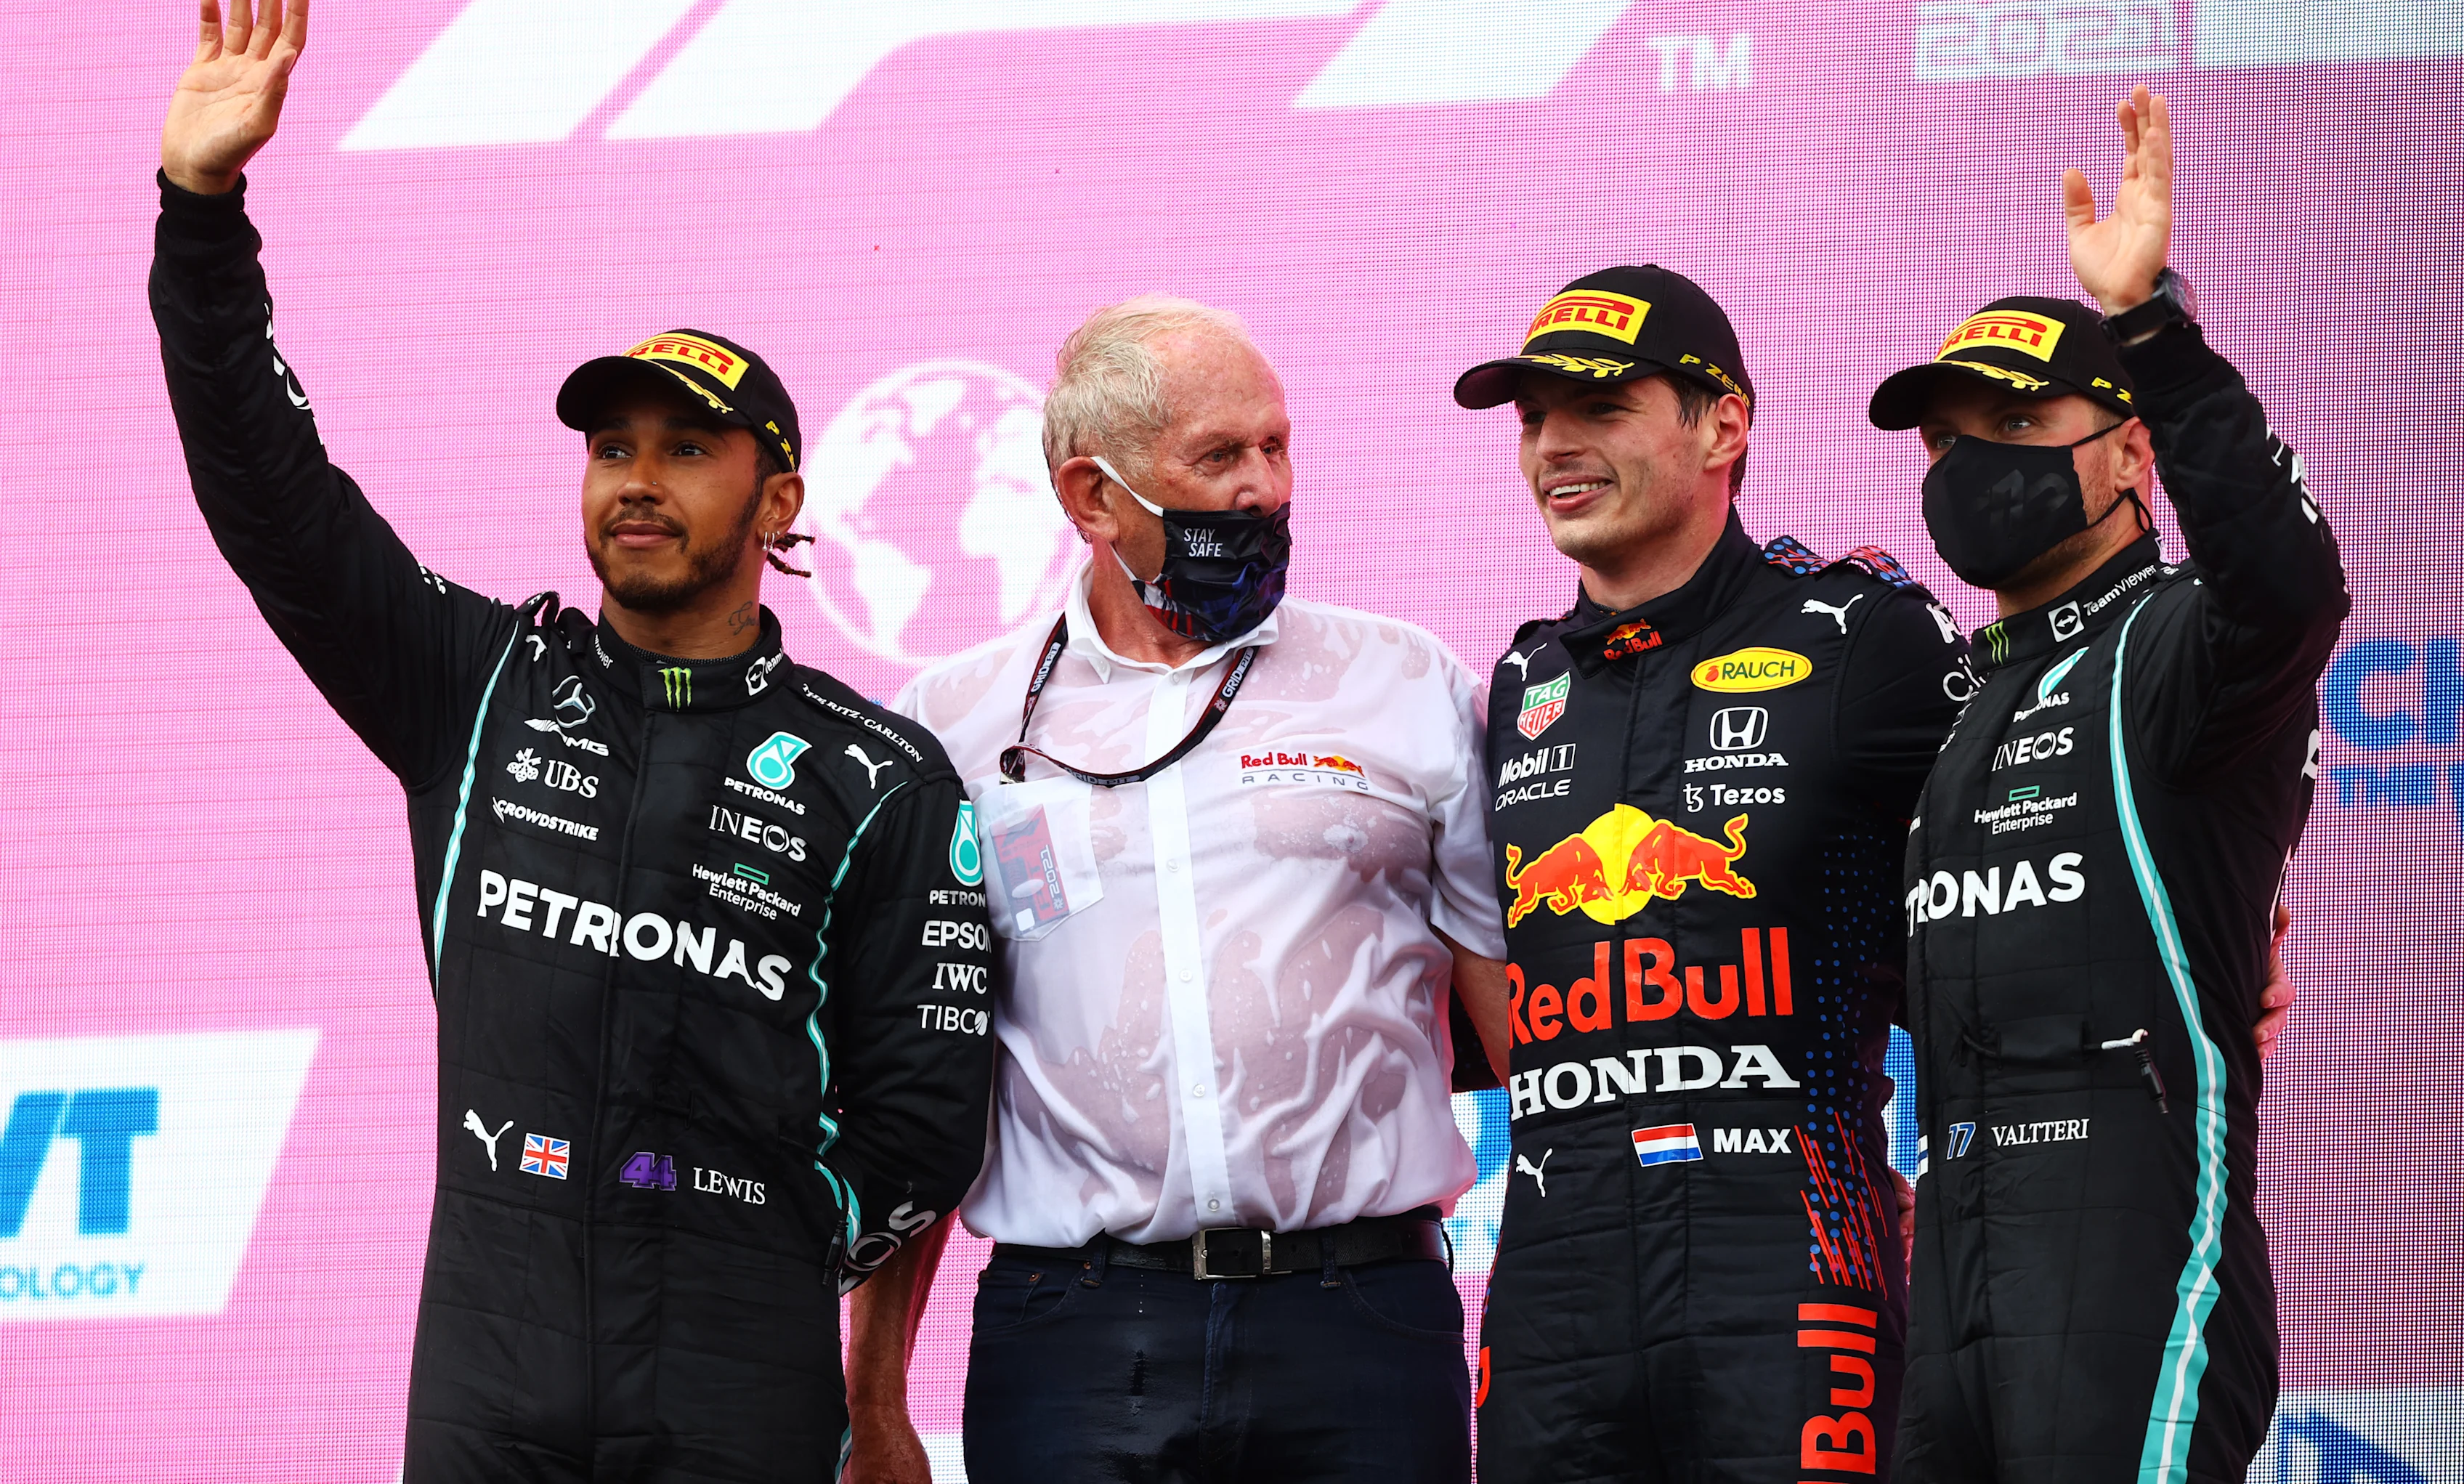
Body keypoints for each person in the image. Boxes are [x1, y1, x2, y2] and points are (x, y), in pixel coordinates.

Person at [151, 0, 995, 1480]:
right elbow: (268, 491)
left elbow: (929, 1114)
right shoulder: (475, 683)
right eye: (612, 444)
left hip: (738, 1363)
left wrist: (763, 1225)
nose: (636, 478)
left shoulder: (882, 778)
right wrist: (201, 218)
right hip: (489, 1354)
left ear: (780, 498)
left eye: (686, 446)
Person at [841, 295, 1510, 1484]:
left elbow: (1518, 1024)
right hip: (1075, 1334)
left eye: (1277, 445)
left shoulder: (1406, 682)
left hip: (1364, 1318)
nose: (1264, 486)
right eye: (1218, 457)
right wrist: (875, 1399)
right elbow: (922, 1075)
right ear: (1092, 497)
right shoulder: (951, 725)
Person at [1873, 87, 2345, 1483]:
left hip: (2128, 1230)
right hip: (1950, 1233)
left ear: (2132, 451)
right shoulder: (1961, 697)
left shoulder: (2187, 642)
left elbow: (2289, 582)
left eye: (2017, 427)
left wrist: (2153, 329)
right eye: (1948, 441)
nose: (1972, 466)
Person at [1451, 266, 1974, 1483]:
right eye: (1533, 420)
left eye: (1599, 410)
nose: (1554, 448)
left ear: (1723, 423)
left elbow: (2035, 836)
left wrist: (2244, 923)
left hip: (1788, 1241)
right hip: (1554, 1259)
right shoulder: (1524, 685)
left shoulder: (1859, 636)